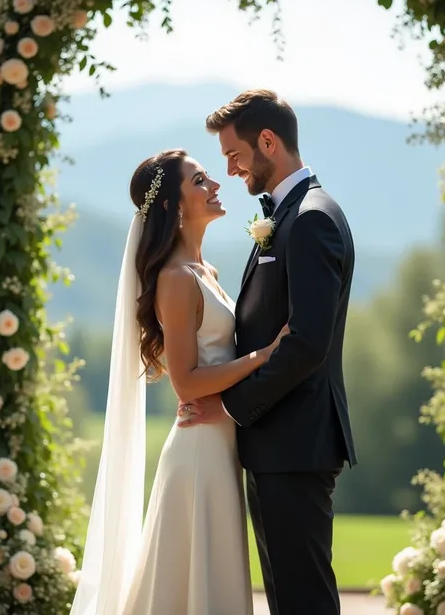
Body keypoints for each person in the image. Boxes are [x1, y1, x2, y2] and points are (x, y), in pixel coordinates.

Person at [70, 148, 288, 615]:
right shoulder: (174, 279)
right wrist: (262, 357)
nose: (215, 186)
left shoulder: (205, 272)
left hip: (221, 441)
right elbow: (186, 384)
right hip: (199, 452)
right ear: (172, 205)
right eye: (200, 181)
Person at [177, 89, 357, 615]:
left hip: (296, 441)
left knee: (303, 598)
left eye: (233, 155)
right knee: (287, 596)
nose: (229, 170)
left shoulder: (312, 218)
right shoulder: (290, 214)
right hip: (278, 441)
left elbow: (307, 344)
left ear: (269, 142)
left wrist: (231, 406)